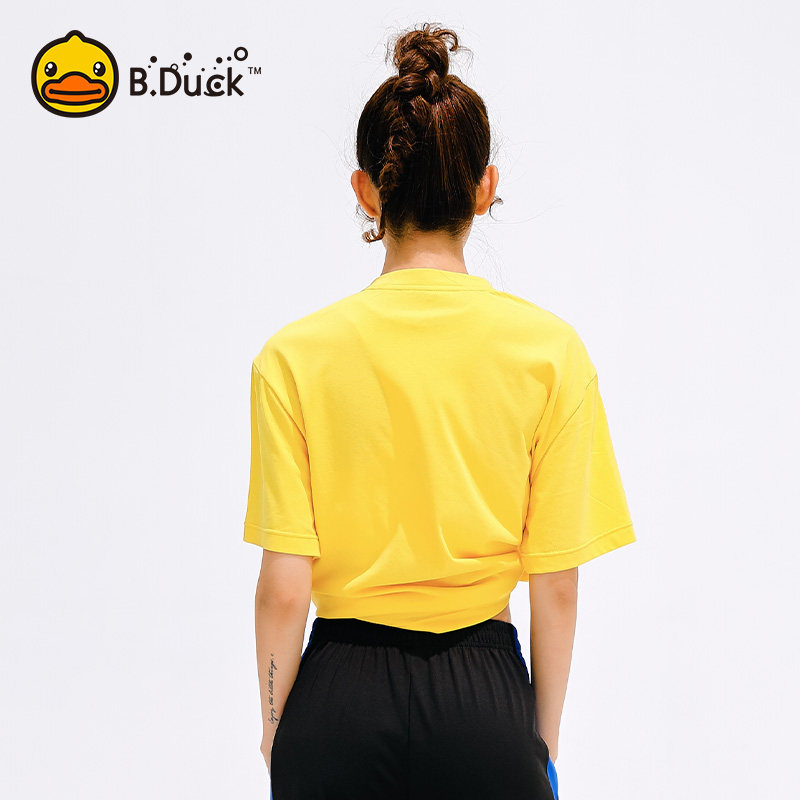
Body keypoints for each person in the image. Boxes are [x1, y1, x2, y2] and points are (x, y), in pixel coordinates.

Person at [243, 22, 635, 800]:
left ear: (366, 190)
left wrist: (278, 728)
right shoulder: (549, 352)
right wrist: (538, 742)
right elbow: (555, 582)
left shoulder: (293, 356)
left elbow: (284, 586)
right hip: (482, 699)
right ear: (484, 189)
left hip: (338, 696)